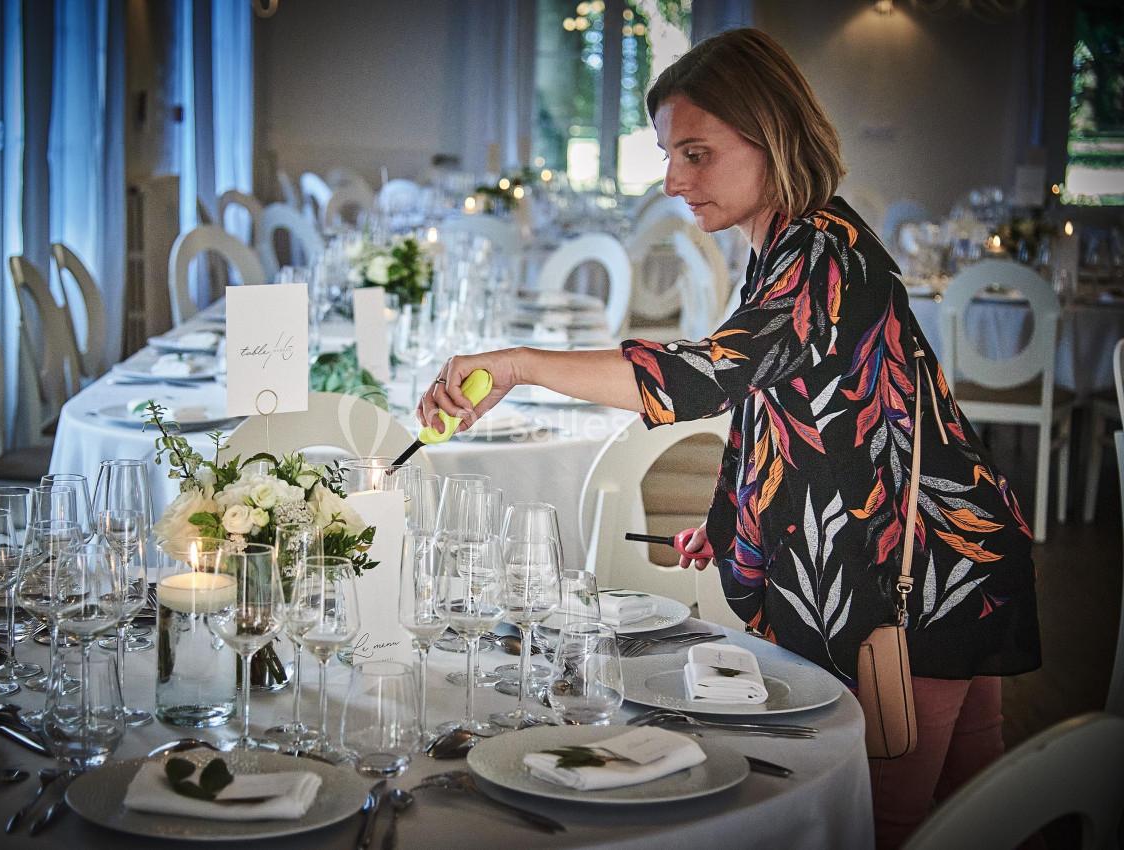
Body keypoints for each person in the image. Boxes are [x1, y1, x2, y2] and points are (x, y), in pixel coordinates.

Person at [418, 27, 1040, 850]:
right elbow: (778, 406)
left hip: (919, 578)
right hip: (955, 549)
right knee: (976, 814)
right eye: (669, 155)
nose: (673, 180)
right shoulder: (789, 243)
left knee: (890, 823)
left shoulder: (821, 249)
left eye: (697, 154)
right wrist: (732, 520)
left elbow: (710, 376)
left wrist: (521, 364)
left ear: (771, 138)